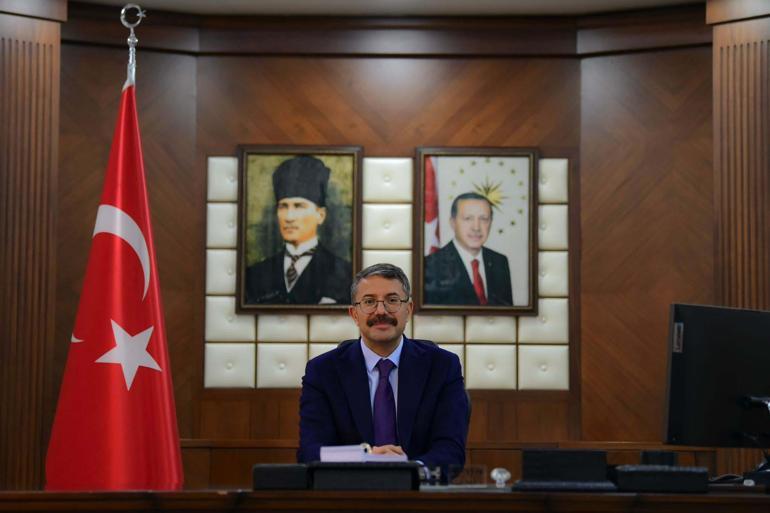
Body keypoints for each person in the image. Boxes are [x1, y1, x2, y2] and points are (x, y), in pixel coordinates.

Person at [297, 263, 469, 470]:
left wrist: (412, 469)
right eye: (369, 302)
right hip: (349, 494)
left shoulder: (442, 367)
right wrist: (365, 457)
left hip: (420, 494)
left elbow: (451, 449)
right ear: (354, 314)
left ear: (409, 310)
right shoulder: (323, 372)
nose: (381, 311)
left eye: (392, 300)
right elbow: (311, 450)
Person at [245, 155, 351, 304]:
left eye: (299, 206)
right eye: (283, 206)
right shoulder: (254, 274)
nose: (289, 217)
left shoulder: (344, 274)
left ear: (320, 215)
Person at [424, 192, 513, 306]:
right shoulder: (431, 265)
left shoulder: (499, 262)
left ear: (491, 222)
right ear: (453, 223)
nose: (476, 227)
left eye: (484, 219)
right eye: (468, 218)